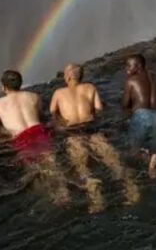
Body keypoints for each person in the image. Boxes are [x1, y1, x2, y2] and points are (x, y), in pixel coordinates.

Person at [49, 63, 139, 212]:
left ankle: (95, 197)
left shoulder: (58, 93)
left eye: (65, 74)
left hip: (72, 132)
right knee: (114, 161)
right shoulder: (90, 88)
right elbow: (99, 109)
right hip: (92, 128)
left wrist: (59, 125)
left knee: (82, 167)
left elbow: (53, 114)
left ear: (69, 76)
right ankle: (131, 189)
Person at [0, 69, 67, 203]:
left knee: (34, 169)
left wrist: (1, 134)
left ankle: (51, 199)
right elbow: (40, 115)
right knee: (52, 163)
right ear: (21, 84)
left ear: (3, 87)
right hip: (39, 131)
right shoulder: (34, 96)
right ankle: (64, 193)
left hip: (21, 138)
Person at [122, 53, 156, 176]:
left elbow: (125, 104)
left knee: (133, 150)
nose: (127, 70)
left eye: (129, 66)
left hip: (141, 115)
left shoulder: (131, 80)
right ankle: (153, 159)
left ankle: (145, 157)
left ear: (138, 65)